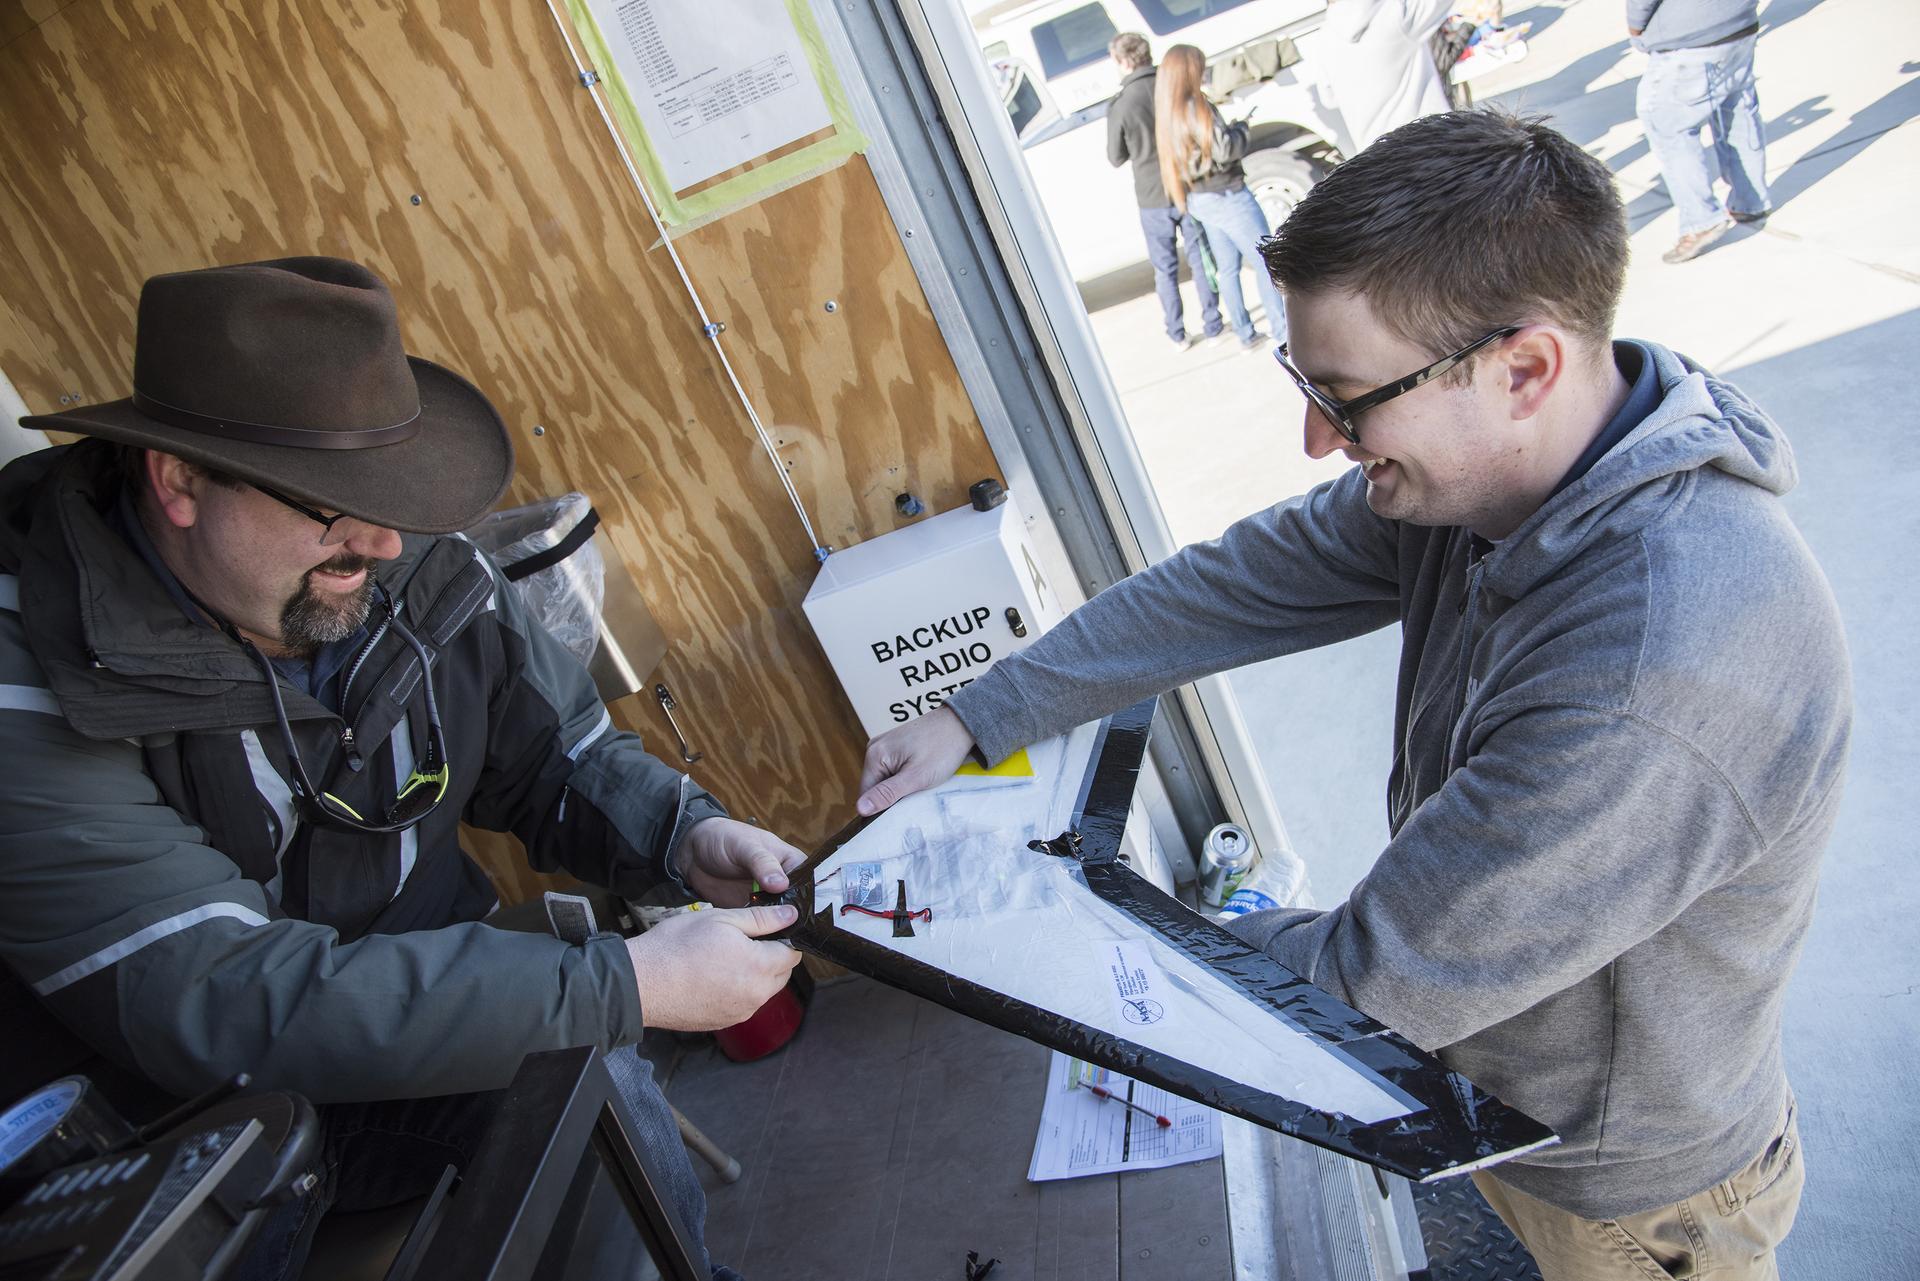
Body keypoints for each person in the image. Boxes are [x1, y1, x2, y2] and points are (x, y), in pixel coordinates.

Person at [857, 111, 1847, 1281]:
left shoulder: (1655, 667)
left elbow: (1369, 988)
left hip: (1628, 1197)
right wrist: (984, 710)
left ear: (1522, 369)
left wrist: (1091, 945)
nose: (1320, 437)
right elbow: (1234, 586)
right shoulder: (1493, 480)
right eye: (1304, 379)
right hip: (1503, 1100)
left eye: (1351, 395)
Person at [0, 257, 806, 1280]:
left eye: (390, 488)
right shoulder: (30, 684)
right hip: (183, 1128)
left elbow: (558, 753)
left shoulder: (403, 556)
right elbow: (218, 996)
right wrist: (619, 982)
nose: (380, 538)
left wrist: (678, 833)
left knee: (593, 1099)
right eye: (332, 500)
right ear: (179, 483)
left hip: (429, 1022)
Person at [1155, 44, 1288, 349]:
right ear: (1190, 70)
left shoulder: (1168, 111)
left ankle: (1245, 333)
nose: (1203, 71)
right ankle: (1282, 332)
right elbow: (1225, 149)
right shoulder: (1196, 105)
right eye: (1200, 65)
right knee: (1267, 260)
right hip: (1227, 193)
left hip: (1200, 198)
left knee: (1228, 268)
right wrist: (1241, 128)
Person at [1628, 0, 1771, 264]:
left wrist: (1636, 25)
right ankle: (1751, 201)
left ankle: (1700, 218)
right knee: (1737, 110)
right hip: (1739, 23)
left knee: (1668, 126)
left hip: (1690, 38)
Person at [1106, 32, 1224, 351]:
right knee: (1200, 258)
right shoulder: (1169, 84)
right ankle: (1213, 323)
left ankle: (1177, 332)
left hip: (1150, 196)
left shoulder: (1121, 104)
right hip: (1186, 185)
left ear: (1122, 61)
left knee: (1165, 268)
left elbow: (1115, 156)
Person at [1322, 0, 1456, 151]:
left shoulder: (1324, 39)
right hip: (1433, 146)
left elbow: (1329, 98)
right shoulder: (1396, 12)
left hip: (1378, 160)